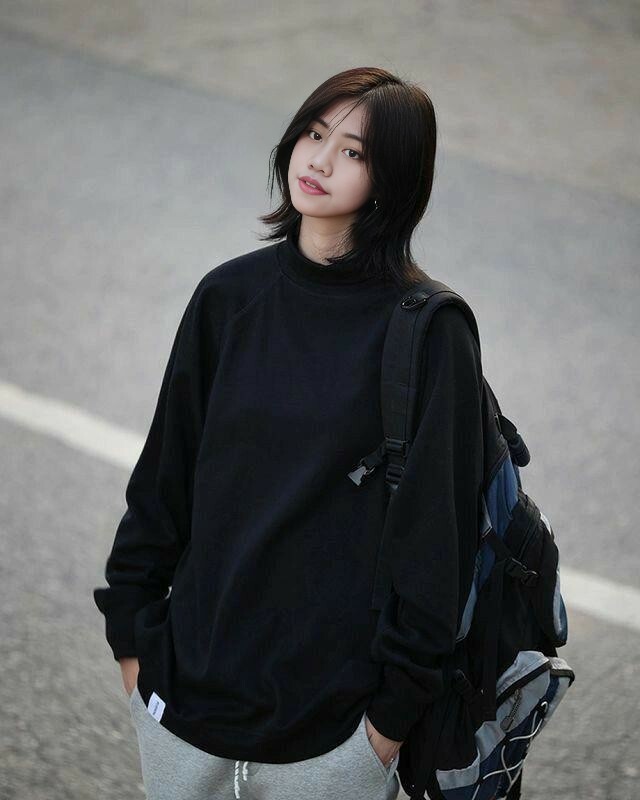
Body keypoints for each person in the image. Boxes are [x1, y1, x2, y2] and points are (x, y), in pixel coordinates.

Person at [93, 66, 484, 800]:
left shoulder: (431, 333)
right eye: (313, 133)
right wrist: (132, 643)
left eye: (354, 151)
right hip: (184, 699)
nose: (320, 160)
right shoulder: (228, 296)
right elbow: (164, 481)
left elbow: (439, 542)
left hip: (336, 733)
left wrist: (386, 726)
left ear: (396, 177)